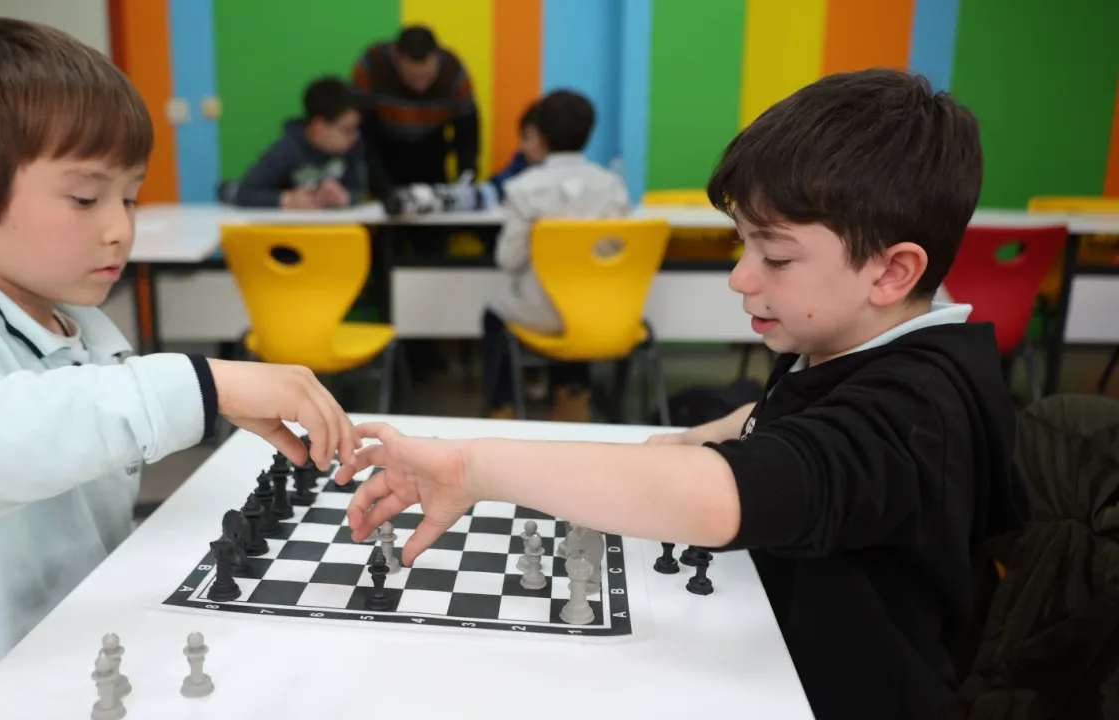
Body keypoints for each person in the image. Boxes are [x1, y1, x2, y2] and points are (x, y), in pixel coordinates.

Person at [334, 70, 1029, 720]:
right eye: (743, 245)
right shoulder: (849, 346)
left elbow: (732, 495)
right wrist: (698, 437)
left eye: (775, 256)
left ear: (892, 272)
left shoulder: (918, 409)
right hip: (771, 654)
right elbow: (789, 420)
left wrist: (472, 468)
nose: (740, 277)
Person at [0, 16, 357, 720]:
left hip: (71, 671)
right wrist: (201, 384)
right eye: (86, 198)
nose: (120, 228)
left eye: (129, 197)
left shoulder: (88, 330)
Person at [482, 90, 630, 422]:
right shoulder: (612, 185)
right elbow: (615, 248)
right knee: (576, 301)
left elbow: (508, 259)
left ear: (540, 134)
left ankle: (502, 407)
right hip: (597, 309)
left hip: (542, 313)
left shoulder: (523, 187)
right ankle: (573, 397)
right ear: (589, 133)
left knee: (495, 313)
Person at [351, 25, 478, 197]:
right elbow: (360, 131)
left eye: (427, 76)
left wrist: (466, 184)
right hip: (383, 146)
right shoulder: (371, 66)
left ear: (437, 56)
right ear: (396, 58)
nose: (420, 86)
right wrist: (383, 189)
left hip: (432, 148)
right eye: (412, 77)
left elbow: (468, 134)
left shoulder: (454, 72)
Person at [218, 76, 367, 209]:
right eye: (347, 130)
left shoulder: (352, 148)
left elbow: (357, 188)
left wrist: (345, 197)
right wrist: (286, 200)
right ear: (319, 127)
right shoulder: (287, 149)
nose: (354, 136)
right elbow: (245, 192)